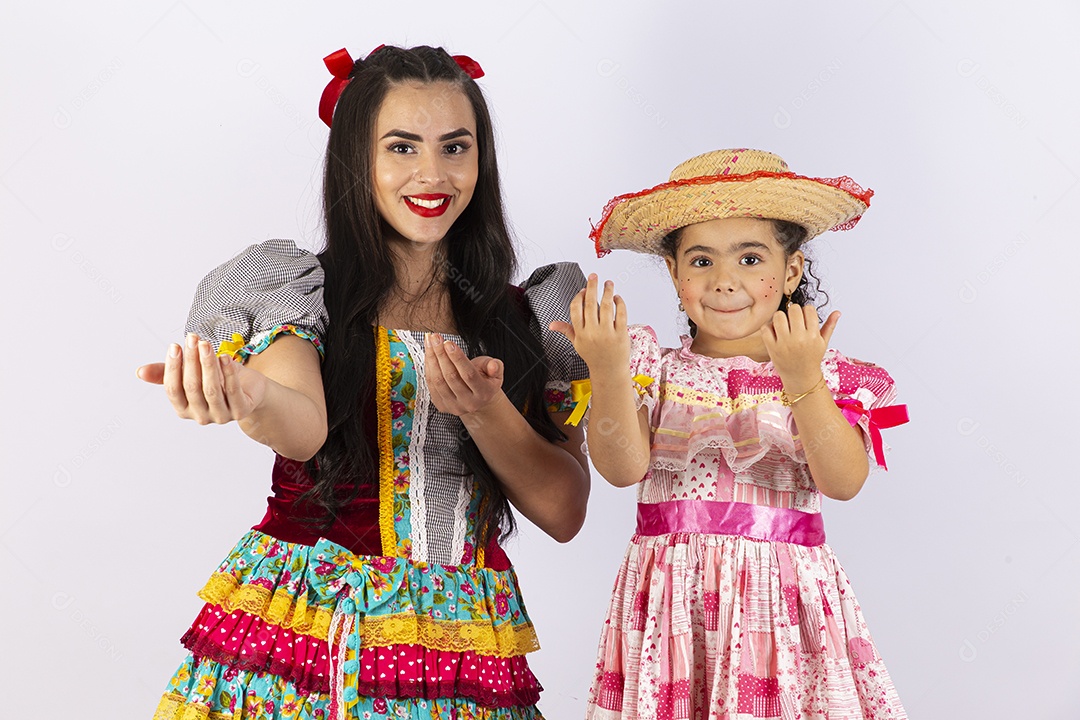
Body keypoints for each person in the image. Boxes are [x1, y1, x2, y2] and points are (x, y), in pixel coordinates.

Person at [138, 44, 590, 720]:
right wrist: (250, 394)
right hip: (316, 627)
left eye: (455, 147)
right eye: (402, 148)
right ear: (357, 159)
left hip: (466, 642)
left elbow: (563, 512)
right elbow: (302, 426)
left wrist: (487, 410)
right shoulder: (300, 291)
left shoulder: (528, 316)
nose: (432, 173)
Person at [552, 149, 908, 719]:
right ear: (673, 273)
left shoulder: (824, 372)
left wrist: (802, 381)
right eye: (699, 261)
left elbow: (843, 482)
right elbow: (623, 469)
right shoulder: (653, 369)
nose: (723, 281)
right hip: (674, 603)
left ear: (791, 271)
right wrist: (610, 371)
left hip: (782, 605)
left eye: (749, 258)